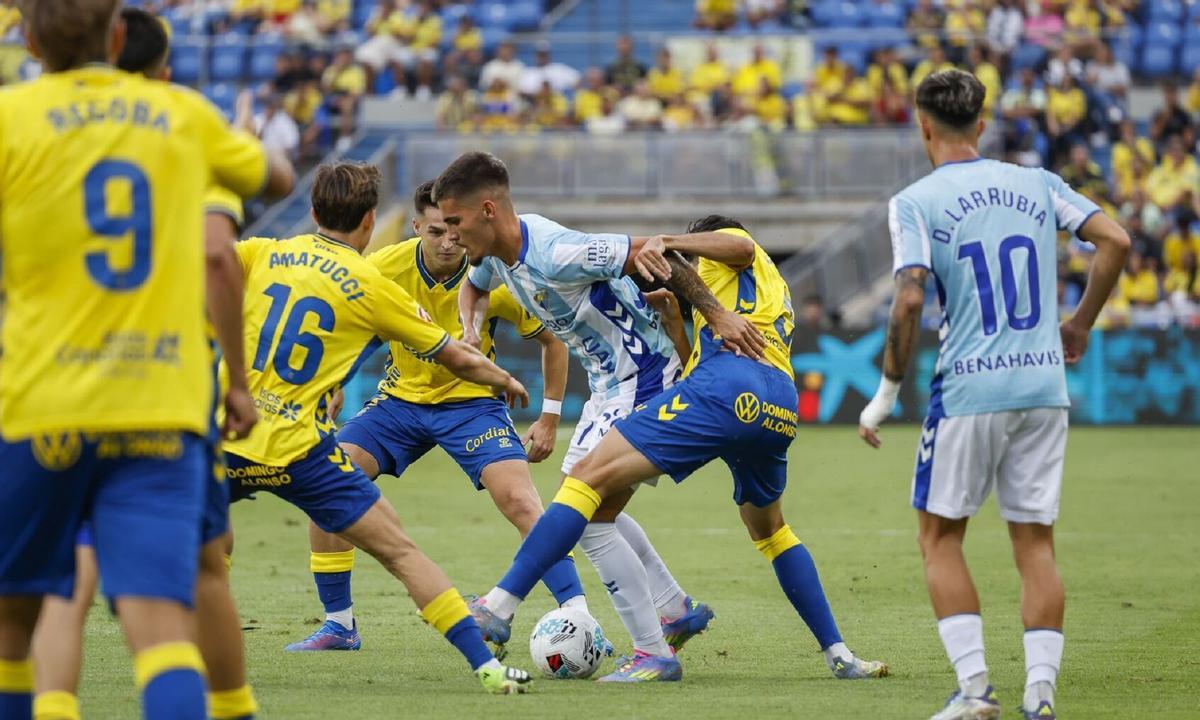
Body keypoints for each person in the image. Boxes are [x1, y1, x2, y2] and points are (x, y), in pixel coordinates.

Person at [443, 152, 886, 683]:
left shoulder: (577, 250)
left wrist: (677, 248)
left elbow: (737, 245)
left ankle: (522, 611)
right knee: (767, 531)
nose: (449, 235)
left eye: (454, 223)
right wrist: (683, 319)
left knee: (583, 496)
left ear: (487, 210)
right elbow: (477, 280)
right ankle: (830, 652)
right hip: (775, 399)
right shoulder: (500, 256)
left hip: (692, 384)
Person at [0, 0, 294, 717]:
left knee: (13, 624)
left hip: (43, 401)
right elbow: (280, 179)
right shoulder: (180, 115)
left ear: (30, 40)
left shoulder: (11, 117)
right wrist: (237, 140)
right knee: (163, 628)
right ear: (120, 35)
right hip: (160, 400)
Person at [857, 69, 1130, 720]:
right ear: (981, 126)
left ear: (923, 126)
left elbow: (912, 295)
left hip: (970, 388)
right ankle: (1041, 696)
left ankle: (976, 691)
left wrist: (889, 389)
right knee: (1035, 544)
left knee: (940, 538)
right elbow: (1115, 240)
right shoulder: (1036, 183)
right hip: (1043, 385)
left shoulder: (916, 201)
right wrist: (1081, 324)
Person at [222, 162, 532, 694]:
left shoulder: (261, 252)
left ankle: (198, 655)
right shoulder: (373, 283)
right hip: (300, 451)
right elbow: (456, 355)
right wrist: (503, 377)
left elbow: (206, 263)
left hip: (230, 434)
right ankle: (486, 667)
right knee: (402, 552)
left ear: (314, 211)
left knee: (201, 537)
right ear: (370, 221)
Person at [285, 181, 598, 654]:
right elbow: (353, 330)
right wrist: (333, 382)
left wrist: (550, 416)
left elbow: (553, 340)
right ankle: (339, 625)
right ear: (416, 227)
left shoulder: (492, 274)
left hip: (473, 405)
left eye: (455, 229)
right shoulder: (381, 268)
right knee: (326, 480)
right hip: (398, 405)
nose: (449, 241)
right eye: (436, 231)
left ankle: (579, 614)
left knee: (520, 500)